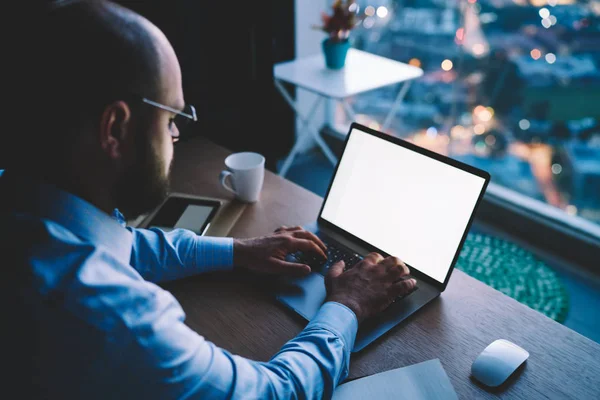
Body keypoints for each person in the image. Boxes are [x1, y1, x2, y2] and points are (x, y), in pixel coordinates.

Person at [2, 1, 416, 399]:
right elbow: (277, 392)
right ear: (116, 128)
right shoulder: (112, 317)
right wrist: (347, 305)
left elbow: (124, 245)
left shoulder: (26, 206)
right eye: (169, 120)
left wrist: (239, 250)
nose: (176, 137)